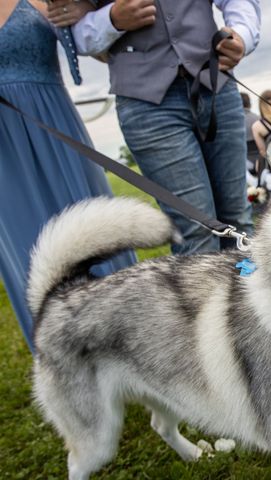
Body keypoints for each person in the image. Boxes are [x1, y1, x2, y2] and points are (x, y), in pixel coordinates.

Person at [64, 0, 261, 254]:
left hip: (216, 86)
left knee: (238, 218)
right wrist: (111, 19)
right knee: (196, 231)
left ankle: (247, 291)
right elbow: (75, 36)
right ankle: (207, 295)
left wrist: (242, 34)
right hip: (146, 103)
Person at [0, 0, 136, 352]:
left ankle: (134, 338)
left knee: (93, 231)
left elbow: (104, 48)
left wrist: (94, 11)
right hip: (5, 156)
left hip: (53, 126)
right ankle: (64, 357)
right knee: (28, 249)